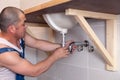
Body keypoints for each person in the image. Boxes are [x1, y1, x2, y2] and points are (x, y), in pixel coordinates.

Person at [0, 7, 72, 80]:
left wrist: (61, 46)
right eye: (23, 24)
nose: (26, 26)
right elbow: (34, 71)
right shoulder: (5, 53)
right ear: (12, 29)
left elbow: (36, 43)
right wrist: (55, 56)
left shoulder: (19, 34)